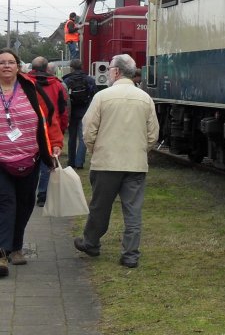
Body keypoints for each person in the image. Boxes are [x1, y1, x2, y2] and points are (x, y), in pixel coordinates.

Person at [74, 54, 159, 268]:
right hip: (135, 163)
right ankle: (130, 254)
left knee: (100, 207)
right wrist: (141, 150)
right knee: (133, 211)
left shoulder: (103, 97)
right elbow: (153, 134)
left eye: (111, 68)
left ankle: (91, 242)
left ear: (116, 72)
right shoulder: (145, 98)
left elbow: (89, 130)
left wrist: (96, 151)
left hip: (106, 162)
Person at [0, 48, 60, 273]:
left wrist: (55, 144)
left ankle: (16, 247)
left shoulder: (30, 88)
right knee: (6, 203)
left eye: (10, 62)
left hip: (30, 158)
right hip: (1, 160)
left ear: (18, 66)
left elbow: (49, 118)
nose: (6, 66)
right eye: (2, 62)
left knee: (25, 204)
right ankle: (2, 253)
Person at [29, 57, 69, 208]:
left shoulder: (24, 82)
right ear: (47, 69)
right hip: (51, 127)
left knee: (30, 163)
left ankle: (28, 193)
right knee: (47, 163)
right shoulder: (57, 85)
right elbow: (63, 109)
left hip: (30, 129)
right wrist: (62, 128)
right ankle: (43, 194)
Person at [62, 58, 96, 169]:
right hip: (85, 112)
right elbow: (93, 95)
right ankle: (79, 162)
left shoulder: (66, 81)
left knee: (72, 137)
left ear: (71, 68)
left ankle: (71, 161)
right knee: (83, 138)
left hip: (71, 113)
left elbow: (63, 97)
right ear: (81, 67)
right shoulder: (89, 80)